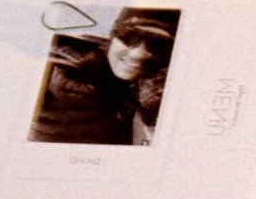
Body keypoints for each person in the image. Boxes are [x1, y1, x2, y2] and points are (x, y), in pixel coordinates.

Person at [29, 9, 176, 145]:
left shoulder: (164, 90)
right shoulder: (56, 75)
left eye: (159, 45)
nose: (137, 54)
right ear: (112, 39)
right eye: (129, 37)